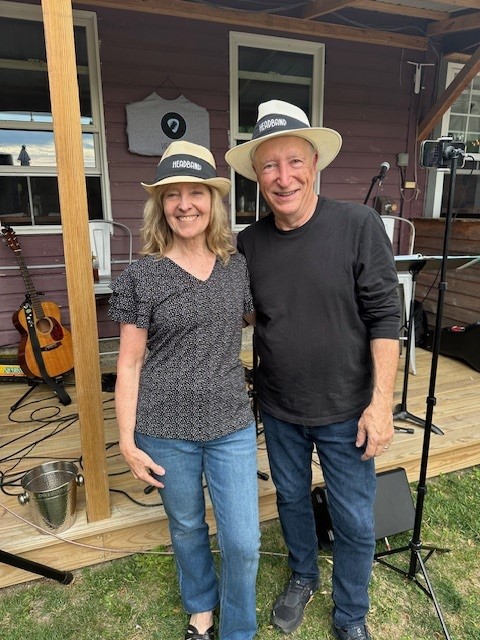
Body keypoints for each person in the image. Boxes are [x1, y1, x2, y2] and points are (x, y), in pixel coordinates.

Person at [225, 100, 401, 640]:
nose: (284, 177)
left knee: (355, 518)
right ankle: (303, 574)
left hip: (347, 408)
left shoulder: (357, 225)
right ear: (258, 176)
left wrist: (381, 404)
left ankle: (351, 615)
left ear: (315, 163)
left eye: (294, 161)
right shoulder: (249, 242)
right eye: (270, 166)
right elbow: (249, 312)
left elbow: (386, 316)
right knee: (291, 498)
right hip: (279, 405)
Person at [109, 140, 260, 640]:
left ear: (213, 202)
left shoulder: (236, 267)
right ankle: (200, 607)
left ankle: (238, 629)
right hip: (163, 429)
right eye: (172, 194)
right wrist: (127, 441)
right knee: (188, 525)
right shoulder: (142, 275)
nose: (184, 204)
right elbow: (129, 363)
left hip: (230, 423)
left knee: (243, 540)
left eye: (196, 192)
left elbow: (261, 321)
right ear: (160, 205)